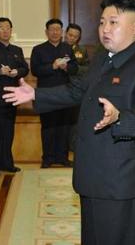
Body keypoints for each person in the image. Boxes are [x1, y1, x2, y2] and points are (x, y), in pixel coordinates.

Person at [3, 0, 135, 245]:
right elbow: (77, 90)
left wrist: (120, 118)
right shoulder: (102, 58)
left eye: (114, 22)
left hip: (123, 179)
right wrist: (37, 94)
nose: (105, 29)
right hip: (93, 172)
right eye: (102, 23)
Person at [30, 19, 77, 168]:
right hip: (46, 94)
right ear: (46, 32)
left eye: (58, 29)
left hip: (65, 93)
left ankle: (62, 157)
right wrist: (53, 66)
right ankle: (48, 158)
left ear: (62, 32)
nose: (55, 32)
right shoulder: (38, 49)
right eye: (52, 29)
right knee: (48, 127)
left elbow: (74, 68)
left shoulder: (67, 49)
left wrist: (65, 68)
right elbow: (35, 70)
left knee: (64, 127)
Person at [0, 17, 29, 175]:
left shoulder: (17, 50)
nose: (5, 30)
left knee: (8, 133)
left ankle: (7, 163)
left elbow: (25, 68)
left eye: (7, 27)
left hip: (12, 97)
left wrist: (17, 72)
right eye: (1, 28)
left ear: (11, 30)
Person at [64, 23, 90, 151]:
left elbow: (88, 68)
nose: (72, 38)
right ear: (65, 34)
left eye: (75, 36)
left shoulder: (82, 50)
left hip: (77, 88)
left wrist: (73, 69)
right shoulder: (59, 48)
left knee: (75, 120)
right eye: (70, 35)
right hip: (61, 88)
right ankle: (61, 148)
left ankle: (73, 147)